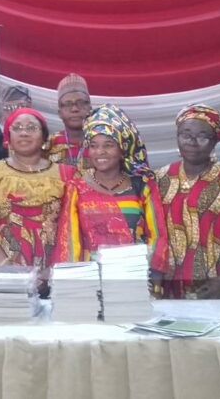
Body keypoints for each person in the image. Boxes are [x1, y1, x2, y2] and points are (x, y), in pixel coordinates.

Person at [51, 105, 168, 292]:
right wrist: (74, 285)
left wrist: (152, 275)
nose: (100, 152)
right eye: (94, 146)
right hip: (91, 282)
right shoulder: (77, 188)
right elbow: (70, 240)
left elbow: (157, 235)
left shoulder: (143, 186)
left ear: (122, 149)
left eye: (108, 145)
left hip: (135, 279)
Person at [155, 104, 220, 299]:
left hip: (219, 290)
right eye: (186, 135)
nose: (193, 142)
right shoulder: (160, 179)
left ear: (215, 140)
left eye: (202, 136)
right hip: (169, 292)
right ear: (177, 137)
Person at [0, 108, 75, 270]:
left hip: (57, 269)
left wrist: (56, 271)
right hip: (4, 271)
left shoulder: (67, 174)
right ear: (8, 138)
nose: (24, 133)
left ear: (44, 137)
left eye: (31, 128)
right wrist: (7, 269)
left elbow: (73, 229)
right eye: (17, 128)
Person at [47, 73, 92, 169]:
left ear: (89, 108)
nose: (74, 109)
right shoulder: (49, 143)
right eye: (68, 104)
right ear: (60, 113)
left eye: (80, 103)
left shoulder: (101, 142)